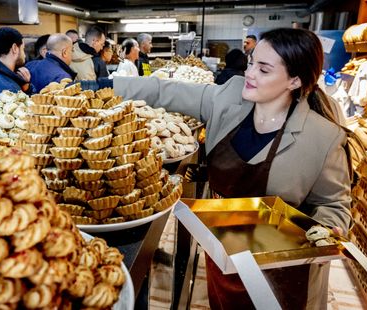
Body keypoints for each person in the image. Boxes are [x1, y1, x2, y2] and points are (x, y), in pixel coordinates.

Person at [112, 28, 351, 308]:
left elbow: (334, 204)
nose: (249, 74)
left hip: (279, 271)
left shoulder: (322, 137)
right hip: (224, 255)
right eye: (251, 63)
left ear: (294, 80)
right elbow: (167, 91)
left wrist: (328, 229)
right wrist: (102, 86)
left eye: (263, 70)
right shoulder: (229, 98)